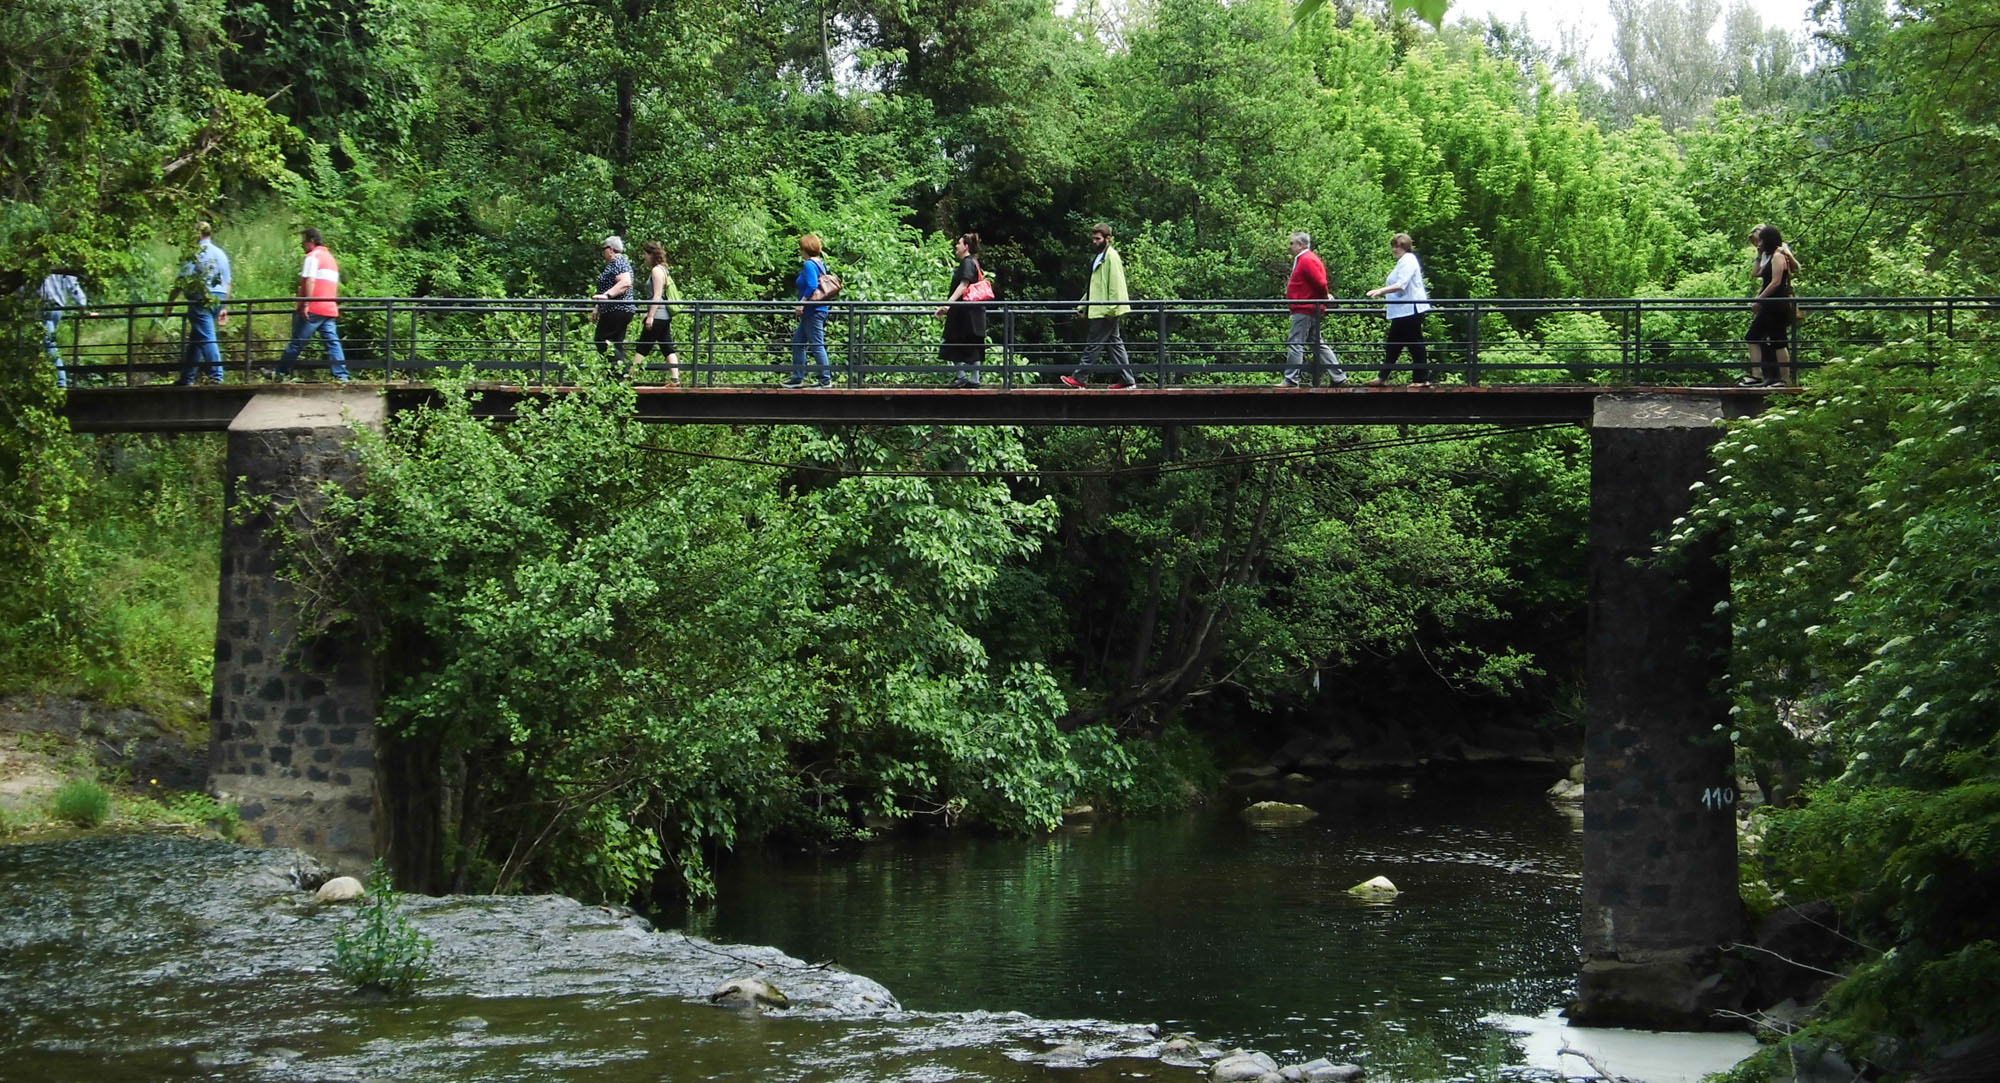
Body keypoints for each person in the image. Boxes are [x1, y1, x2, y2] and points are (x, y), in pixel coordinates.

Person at [1063, 222, 1137, 390]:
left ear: (1108, 239)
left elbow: (1115, 285)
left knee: (1093, 343)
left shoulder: (1111, 257)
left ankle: (1080, 378)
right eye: (1093, 239)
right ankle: (1128, 380)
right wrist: (1083, 305)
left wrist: (1112, 309)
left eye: (1097, 239)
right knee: (1114, 344)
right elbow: (1094, 287)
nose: (1094, 242)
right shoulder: (1101, 257)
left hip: (1106, 310)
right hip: (1102, 308)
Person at [273, 227, 350, 383]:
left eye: (304, 241)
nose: (303, 244)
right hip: (328, 307)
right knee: (332, 342)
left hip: (314, 308)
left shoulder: (312, 257)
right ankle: (342, 375)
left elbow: (310, 280)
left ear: (311, 241)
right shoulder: (330, 259)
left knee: (297, 342)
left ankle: (280, 373)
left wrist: (306, 302)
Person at [1364, 232, 1432, 387]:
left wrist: (1380, 291)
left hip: (1410, 310)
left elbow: (1402, 284)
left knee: (1415, 344)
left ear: (1406, 247)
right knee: (1393, 344)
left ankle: (1422, 379)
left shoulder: (1408, 260)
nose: (1395, 249)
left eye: (1399, 246)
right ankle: (1383, 377)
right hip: (1402, 311)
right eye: (1394, 246)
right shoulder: (1403, 261)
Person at [1281, 232, 1348, 388]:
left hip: (1305, 308)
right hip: (1308, 307)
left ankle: (1291, 379)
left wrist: (1324, 296)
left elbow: (1320, 282)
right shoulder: (1305, 259)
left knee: (1296, 342)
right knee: (1317, 343)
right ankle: (1338, 377)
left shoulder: (1307, 260)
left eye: (1292, 243)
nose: (1289, 247)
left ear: (1301, 245)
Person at [1741, 224, 1800, 387]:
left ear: (1768, 240)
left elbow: (1775, 283)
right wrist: (1759, 254)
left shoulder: (1778, 256)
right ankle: (1757, 376)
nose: (1758, 244)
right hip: (1768, 305)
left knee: (1778, 341)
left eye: (1761, 241)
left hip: (1776, 304)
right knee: (1752, 337)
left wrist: (1758, 299)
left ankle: (1784, 380)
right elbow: (1757, 274)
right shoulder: (1768, 256)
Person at [175, 221, 232, 386]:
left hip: (201, 298)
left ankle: (217, 375)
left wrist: (170, 302)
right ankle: (187, 377)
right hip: (219, 297)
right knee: (197, 338)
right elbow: (228, 282)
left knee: (207, 337)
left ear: (197, 234)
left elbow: (181, 279)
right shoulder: (220, 253)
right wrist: (224, 306)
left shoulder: (196, 253)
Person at [935, 232, 989, 388]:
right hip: (973, 313)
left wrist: (948, 304)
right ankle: (974, 379)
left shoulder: (967, 262)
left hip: (964, 314)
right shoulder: (975, 262)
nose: (956, 246)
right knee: (972, 345)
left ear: (966, 246)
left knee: (953, 341)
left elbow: (963, 285)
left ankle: (962, 376)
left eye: (958, 243)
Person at [784, 233, 835, 389]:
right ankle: (798, 377)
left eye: (801, 248)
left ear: (805, 249)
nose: (800, 251)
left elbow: (812, 286)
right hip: (815, 311)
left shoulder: (809, 265)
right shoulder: (820, 264)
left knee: (817, 344)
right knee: (798, 343)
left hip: (813, 311)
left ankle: (825, 379)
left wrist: (801, 304)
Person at [634, 241, 680, 383]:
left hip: (658, 315)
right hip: (664, 315)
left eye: (645, 254)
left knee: (643, 346)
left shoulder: (656, 271)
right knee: (667, 346)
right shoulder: (664, 269)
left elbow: (657, 295)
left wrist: (650, 316)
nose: (644, 257)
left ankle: (629, 378)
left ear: (651, 254)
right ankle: (675, 379)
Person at [589, 234, 637, 369]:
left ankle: (623, 370)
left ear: (610, 249)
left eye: (603, 249)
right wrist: (598, 306)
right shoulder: (617, 263)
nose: (603, 252)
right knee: (615, 344)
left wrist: (607, 296)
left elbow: (626, 282)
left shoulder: (619, 262)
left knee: (601, 340)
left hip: (617, 309)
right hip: (616, 309)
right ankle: (617, 377)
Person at [38, 268, 90, 389]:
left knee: (48, 343)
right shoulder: (61, 265)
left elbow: (23, 288)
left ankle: (61, 381)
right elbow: (74, 286)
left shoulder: (35, 264)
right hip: (58, 307)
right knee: (44, 343)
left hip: (43, 307)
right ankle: (46, 377)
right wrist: (82, 305)